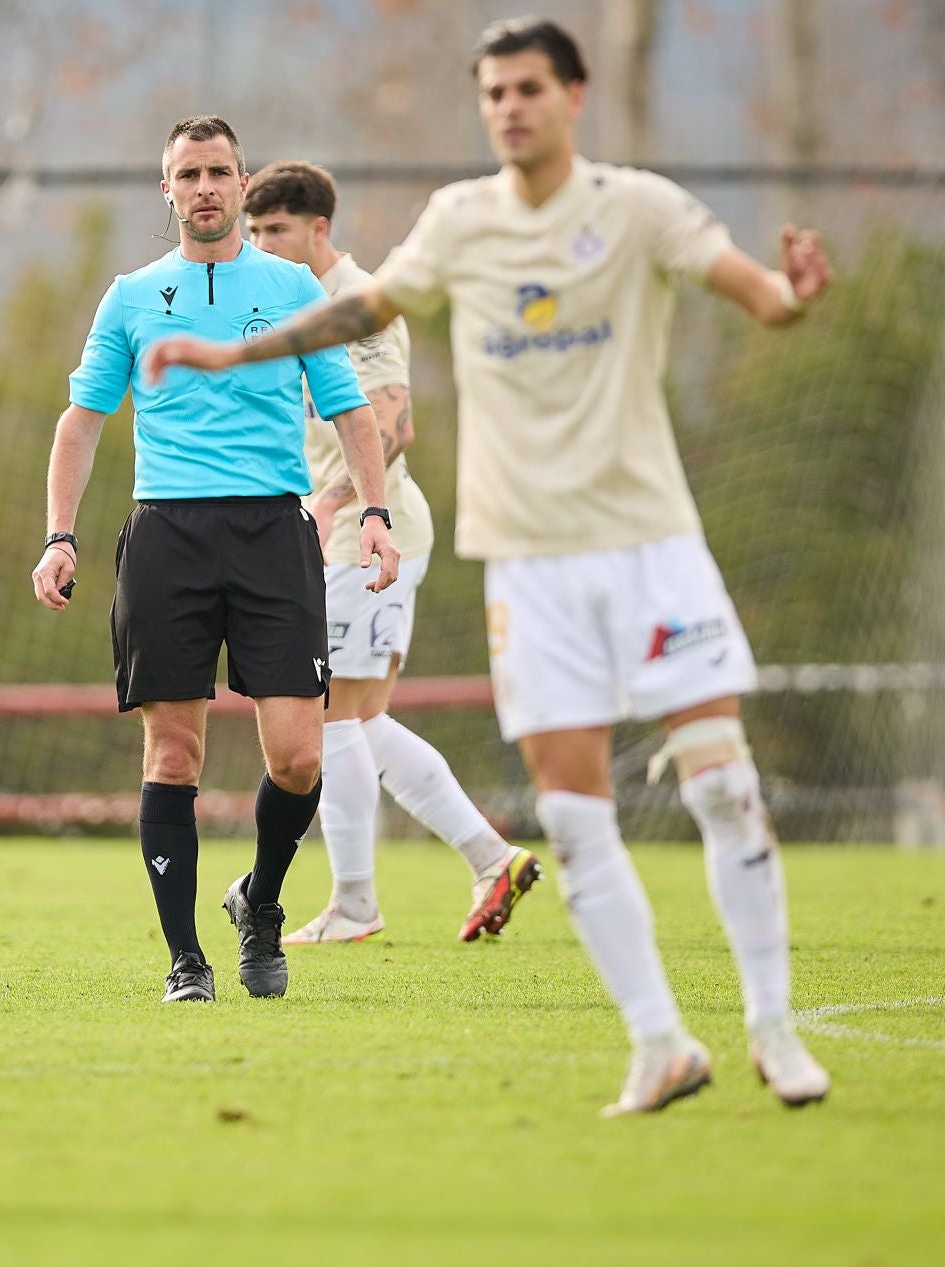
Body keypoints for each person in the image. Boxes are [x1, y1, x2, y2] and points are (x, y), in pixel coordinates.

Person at [145, 19, 832, 1114]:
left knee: (723, 783)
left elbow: (755, 293)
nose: (508, 107)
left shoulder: (638, 207)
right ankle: (656, 1042)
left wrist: (794, 295)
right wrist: (227, 350)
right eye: (492, 92)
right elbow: (356, 313)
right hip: (526, 562)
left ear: (573, 93)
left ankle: (774, 1029)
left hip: (646, 542)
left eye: (527, 88)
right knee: (569, 811)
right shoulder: (458, 222)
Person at [32, 115, 399, 1005]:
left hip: (275, 534)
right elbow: (82, 420)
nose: (203, 187)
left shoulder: (293, 287)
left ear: (243, 186)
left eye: (219, 173)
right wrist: (59, 535)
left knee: (298, 759)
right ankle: (184, 961)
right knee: (172, 754)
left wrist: (376, 511)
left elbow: (350, 410)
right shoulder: (128, 296)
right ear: (167, 190)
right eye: (187, 174)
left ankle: (261, 904)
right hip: (167, 536)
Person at [241, 162, 540, 945]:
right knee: (362, 719)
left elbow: (391, 424)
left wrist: (333, 503)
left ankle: (355, 904)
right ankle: (489, 857)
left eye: (276, 230)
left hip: (369, 538)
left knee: (332, 713)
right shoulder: (285, 306)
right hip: (334, 538)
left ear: (318, 230)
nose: (263, 243)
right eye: (255, 231)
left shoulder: (359, 305)